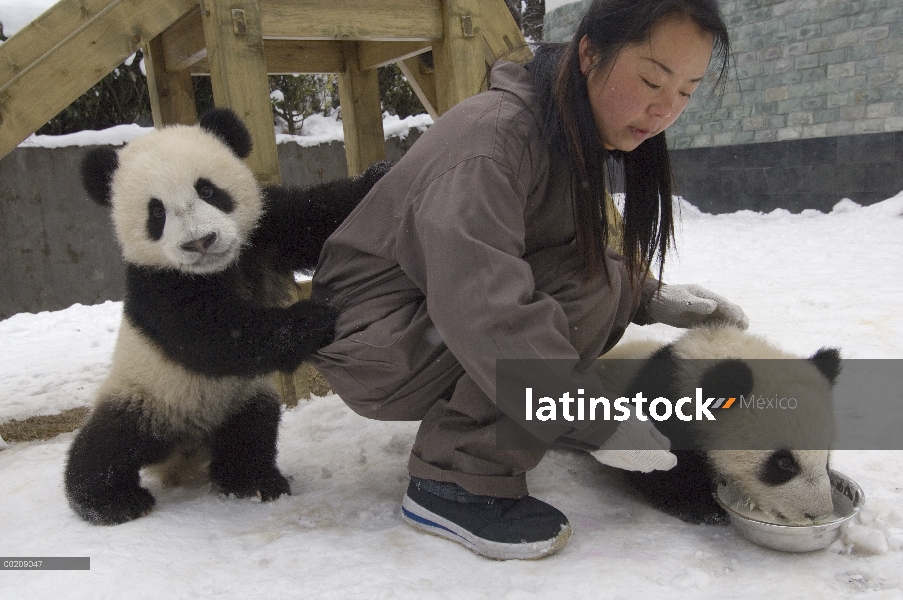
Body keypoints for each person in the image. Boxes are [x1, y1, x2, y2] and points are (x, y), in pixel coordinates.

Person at [308, 0, 746, 560]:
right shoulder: (494, 143)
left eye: (685, 91)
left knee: (602, 280)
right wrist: (592, 419)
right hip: (376, 342)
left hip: (417, 318)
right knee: (590, 289)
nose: (664, 109)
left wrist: (652, 296)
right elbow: (486, 307)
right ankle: (458, 479)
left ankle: (495, 436)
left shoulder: (562, 127)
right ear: (589, 52)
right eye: (651, 79)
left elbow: (554, 241)